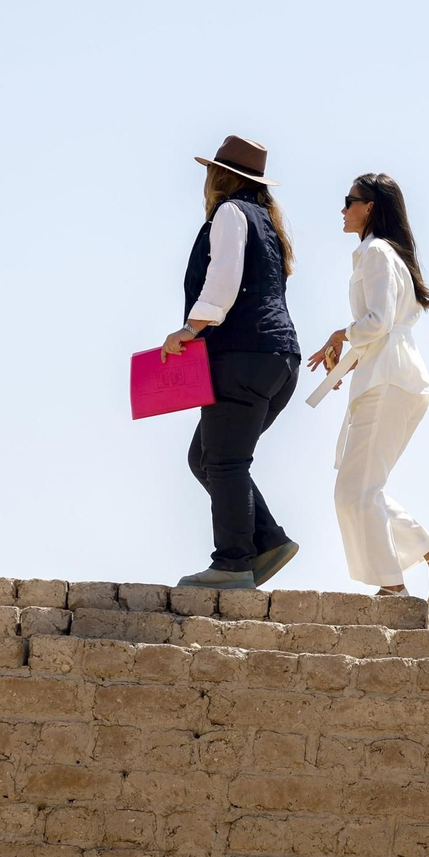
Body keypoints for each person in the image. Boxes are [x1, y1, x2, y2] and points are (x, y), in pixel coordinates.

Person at [307, 174, 429, 608]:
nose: (342, 209)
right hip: (388, 375)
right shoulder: (382, 255)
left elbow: (378, 322)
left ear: (370, 207)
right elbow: (384, 327)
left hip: (389, 380)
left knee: (356, 492)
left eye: (349, 201)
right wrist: (345, 360)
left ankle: (396, 589)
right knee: (358, 491)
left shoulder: (377, 252)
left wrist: (340, 335)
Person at [159, 136, 301, 590]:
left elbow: (223, 280)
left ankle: (233, 564)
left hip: (242, 356)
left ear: (218, 176)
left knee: (223, 462)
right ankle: (270, 541)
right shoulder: (267, 222)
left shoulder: (229, 213)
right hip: (278, 361)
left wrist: (190, 328)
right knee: (206, 458)